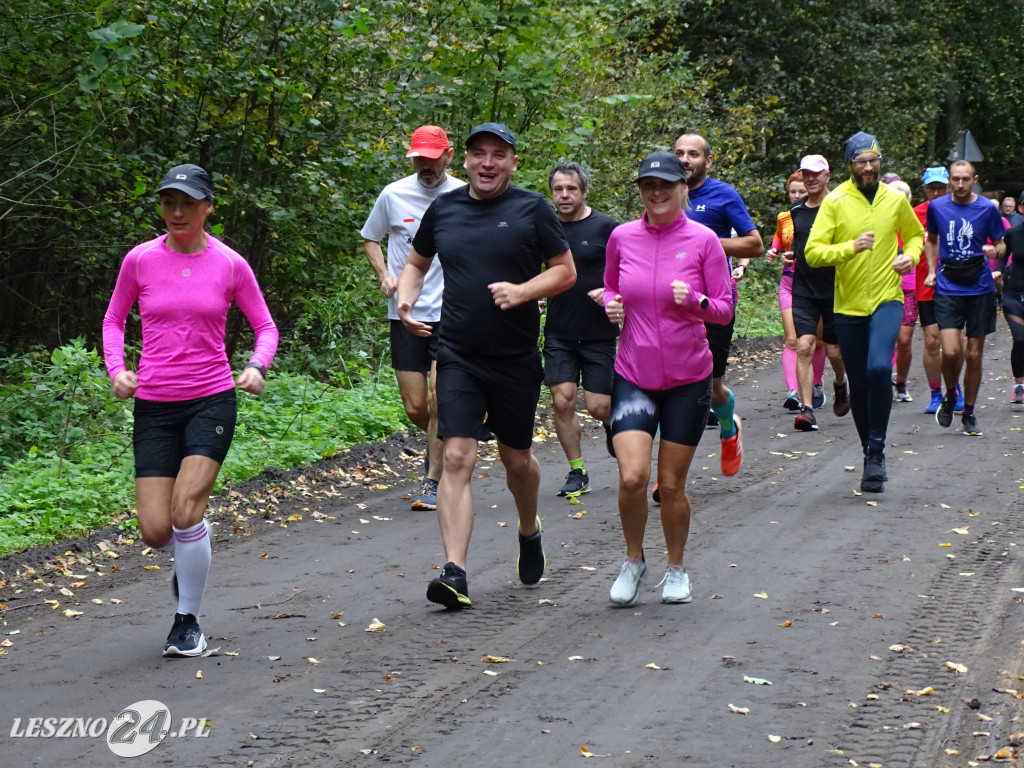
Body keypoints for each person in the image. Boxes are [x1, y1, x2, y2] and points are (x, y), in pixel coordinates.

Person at [396, 123, 576, 610]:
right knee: (456, 457)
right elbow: (415, 263)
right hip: (456, 353)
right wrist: (407, 304)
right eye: (479, 154)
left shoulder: (532, 208)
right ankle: (455, 571)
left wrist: (521, 292)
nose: (488, 163)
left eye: (499, 154)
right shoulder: (446, 208)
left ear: (514, 163)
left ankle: (528, 527)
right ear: (465, 161)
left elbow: (565, 271)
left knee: (516, 460)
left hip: (515, 359)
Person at [102, 164, 279, 656]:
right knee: (156, 532)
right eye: (168, 203)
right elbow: (114, 320)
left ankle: (188, 623)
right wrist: (117, 369)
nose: (177, 212)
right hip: (155, 404)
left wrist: (257, 366)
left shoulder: (229, 264)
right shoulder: (139, 260)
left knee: (184, 511)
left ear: (207, 207)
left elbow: (265, 326)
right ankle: (192, 550)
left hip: (211, 398)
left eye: (188, 203)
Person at [603, 151, 733, 605]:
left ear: (683, 189)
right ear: (639, 190)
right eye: (647, 186)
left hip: (687, 377)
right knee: (633, 476)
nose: (656, 193)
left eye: (666, 186)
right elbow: (611, 288)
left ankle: (676, 569)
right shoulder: (621, 237)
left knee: (671, 485)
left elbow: (724, 308)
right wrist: (610, 304)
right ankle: (634, 560)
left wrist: (695, 300)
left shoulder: (704, 241)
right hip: (634, 373)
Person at [805, 132, 923, 493]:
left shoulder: (894, 199)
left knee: (877, 368)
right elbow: (813, 252)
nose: (868, 167)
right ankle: (869, 453)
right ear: (850, 165)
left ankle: (878, 446)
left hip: (888, 298)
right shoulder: (836, 201)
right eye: (861, 161)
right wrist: (850, 247)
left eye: (874, 159)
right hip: (848, 306)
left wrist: (911, 257)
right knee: (858, 382)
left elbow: (916, 235)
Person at [361, 125, 466, 511]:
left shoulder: (463, 195)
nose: (425, 165)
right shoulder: (394, 194)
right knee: (416, 407)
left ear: (449, 156)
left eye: (432, 158)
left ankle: (432, 480)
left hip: (451, 312)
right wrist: (385, 275)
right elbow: (370, 237)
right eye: (418, 158)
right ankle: (444, 440)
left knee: (440, 399)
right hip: (403, 312)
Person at [673, 133, 764, 476]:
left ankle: (729, 427)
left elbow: (754, 244)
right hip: (671, 306)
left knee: (709, 388)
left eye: (693, 154)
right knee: (674, 388)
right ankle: (669, 473)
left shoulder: (723, 195)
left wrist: (709, 243)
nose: (685, 159)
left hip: (714, 304)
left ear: (708, 161)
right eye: (679, 153)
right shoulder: (663, 194)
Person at [544, 161, 618, 497]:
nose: (564, 195)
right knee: (563, 402)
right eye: (558, 189)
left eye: (571, 188)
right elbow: (529, 268)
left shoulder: (606, 228)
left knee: (599, 405)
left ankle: (610, 424)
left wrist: (613, 292)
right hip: (559, 332)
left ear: (583, 191)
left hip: (599, 332)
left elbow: (630, 270)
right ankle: (577, 472)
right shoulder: (544, 227)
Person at [924, 160, 1006, 436]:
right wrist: (932, 270)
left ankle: (969, 412)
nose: (960, 185)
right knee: (950, 351)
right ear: (949, 179)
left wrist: (996, 252)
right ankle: (950, 393)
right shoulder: (938, 207)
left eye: (965, 179)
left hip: (980, 287)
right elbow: (932, 239)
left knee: (973, 353)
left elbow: (1001, 242)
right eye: (955, 179)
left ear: (975, 180)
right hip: (948, 285)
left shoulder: (986, 208)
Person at [788, 154, 850, 431]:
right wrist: (790, 256)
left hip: (836, 289)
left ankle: (840, 383)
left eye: (816, 174)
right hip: (803, 288)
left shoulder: (841, 206)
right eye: (806, 174)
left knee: (835, 351)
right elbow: (800, 241)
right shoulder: (797, 209)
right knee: (804, 346)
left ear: (827, 176)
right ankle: (807, 409)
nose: (810, 179)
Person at [913, 167, 958, 414]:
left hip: (957, 286)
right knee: (932, 341)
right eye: (932, 188)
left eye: (941, 187)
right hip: (926, 285)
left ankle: (954, 389)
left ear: (949, 187)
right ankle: (935, 394)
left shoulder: (960, 209)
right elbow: (903, 248)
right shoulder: (914, 214)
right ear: (925, 189)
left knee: (954, 345)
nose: (937, 192)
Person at [886, 179, 918, 403]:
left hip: (908, 289)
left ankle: (902, 382)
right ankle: (882, 378)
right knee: (884, 338)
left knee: (904, 340)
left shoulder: (913, 224)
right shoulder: (880, 224)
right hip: (883, 289)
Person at [998, 214, 1024, 403]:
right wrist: (998, 273)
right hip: (1014, 294)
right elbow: (1003, 257)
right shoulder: (1013, 233)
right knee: (1020, 339)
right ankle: (1019, 387)